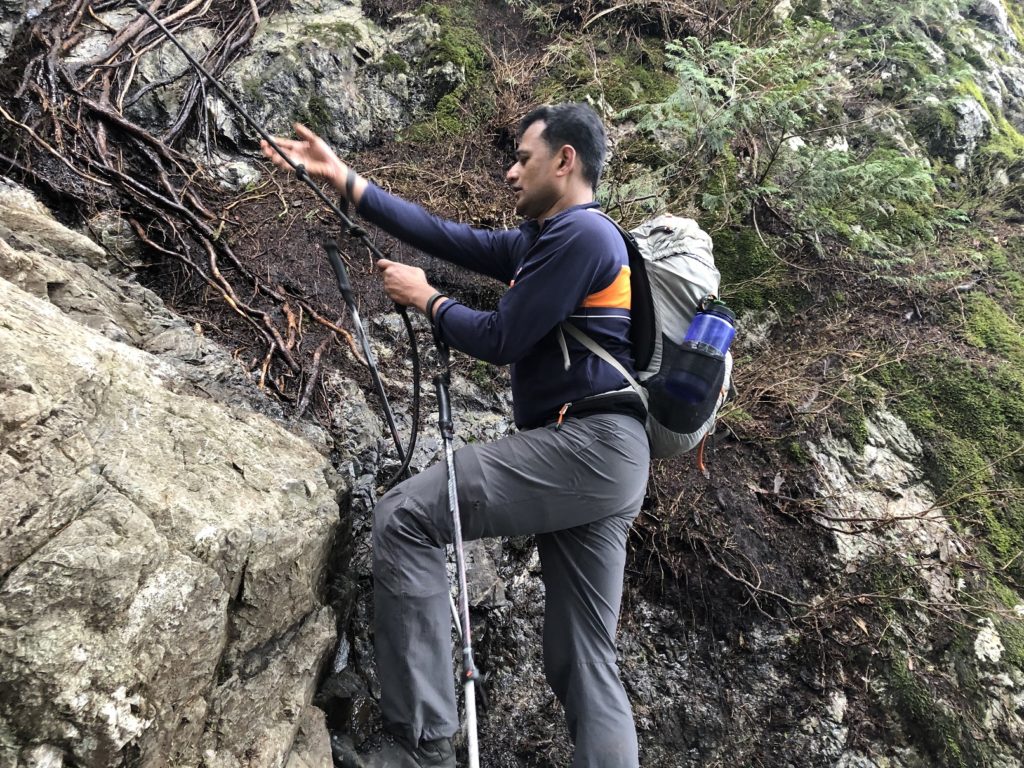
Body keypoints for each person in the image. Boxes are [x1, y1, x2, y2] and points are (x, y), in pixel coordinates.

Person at [262, 103, 650, 768]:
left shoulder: (584, 235)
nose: (510, 172)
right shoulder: (545, 241)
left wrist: (429, 301)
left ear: (565, 160)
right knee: (584, 657)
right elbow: (445, 237)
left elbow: (502, 338)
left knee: (407, 516)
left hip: (586, 446)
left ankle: (423, 745)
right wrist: (344, 179)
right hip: (611, 461)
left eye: (523, 158)